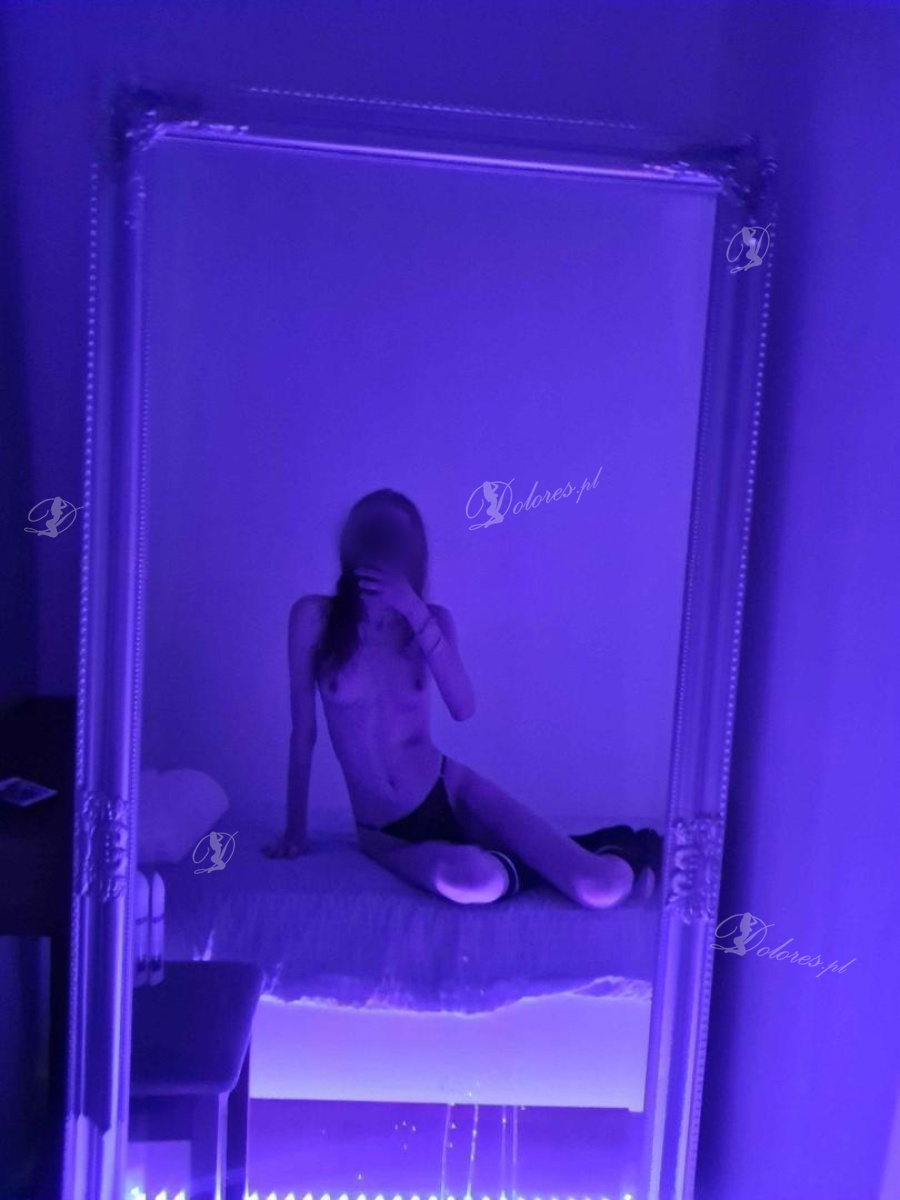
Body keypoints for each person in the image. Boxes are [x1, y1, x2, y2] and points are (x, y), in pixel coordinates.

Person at [264, 488, 660, 907]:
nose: (381, 549)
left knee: (600, 887)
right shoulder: (314, 617)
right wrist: (295, 830)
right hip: (385, 832)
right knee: (474, 881)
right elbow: (303, 733)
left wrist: (412, 610)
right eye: (372, 534)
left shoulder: (431, 620)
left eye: (394, 539)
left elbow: (463, 708)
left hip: (451, 787)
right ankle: (551, 860)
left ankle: (631, 849)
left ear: (412, 552)